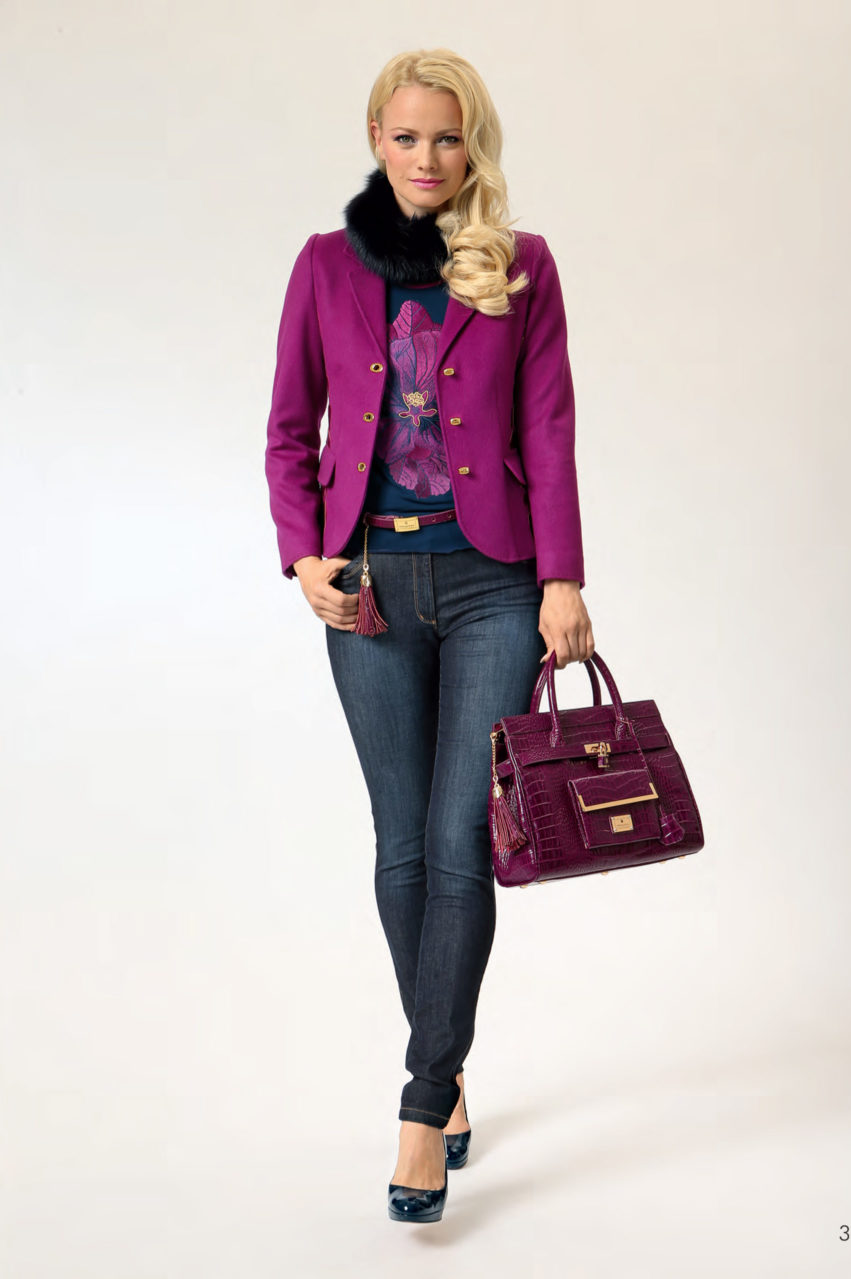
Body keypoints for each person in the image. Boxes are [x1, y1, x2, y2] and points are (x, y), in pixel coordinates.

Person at [264, 47, 594, 1224]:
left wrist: (562, 577)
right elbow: (289, 426)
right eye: (405, 136)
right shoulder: (325, 264)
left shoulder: (520, 263)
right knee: (400, 847)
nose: (426, 157)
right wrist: (303, 553)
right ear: (375, 138)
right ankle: (447, 1068)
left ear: (474, 145)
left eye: (447, 138)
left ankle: (419, 1101)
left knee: (460, 843)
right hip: (365, 586)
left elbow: (548, 428)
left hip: (496, 582)